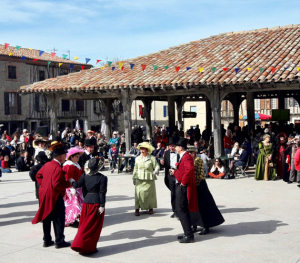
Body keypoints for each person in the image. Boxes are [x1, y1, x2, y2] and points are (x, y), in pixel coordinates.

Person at [32, 146, 72, 248]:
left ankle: (47, 240)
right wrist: (68, 183)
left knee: (46, 217)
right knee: (58, 218)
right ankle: (59, 241)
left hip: (44, 194)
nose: (65, 156)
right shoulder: (58, 167)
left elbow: (38, 175)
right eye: (64, 155)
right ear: (59, 156)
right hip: (54, 195)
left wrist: (43, 185)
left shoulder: (47, 164)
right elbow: (56, 184)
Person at [70, 158, 108, 254]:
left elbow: (77, 185)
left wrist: (72, 181)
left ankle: (84, 246)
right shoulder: (102, 178)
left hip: (86, 203)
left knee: (85, 224)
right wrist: (102, 205)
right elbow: (102, 193)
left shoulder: (85, 175)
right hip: (96, 203)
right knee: (93, 227)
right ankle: (87, 246)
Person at [188, 146, 225, 235]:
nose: (189, 154)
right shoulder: (189, 161)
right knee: (192, 206)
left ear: (194, 153)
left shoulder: (198, 160)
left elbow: (201, 175)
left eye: (191, 153)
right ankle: (194, 225)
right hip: (192, 185)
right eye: (188, 153)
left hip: (200, 185)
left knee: (203, 205)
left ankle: (206, 226)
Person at [169, 138, 198, 243]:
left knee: (182, 210)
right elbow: (184, 170)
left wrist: (183, 182)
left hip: (183, 186)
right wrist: (176, 172)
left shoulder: (186, 157)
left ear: (180, 148)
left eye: (176, 146)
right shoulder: (184, 156)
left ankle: (189, 235)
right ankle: (187, 232)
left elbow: (190, 169)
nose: (175, 148)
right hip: (181, 185)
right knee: (180, 209)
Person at [133, 142, 160, 216]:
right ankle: (137, 208)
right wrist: (133, 178)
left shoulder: (152, 158)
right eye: (141, 149)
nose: (142, 151)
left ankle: (151, 208)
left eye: (143, 149)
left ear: (147, 150)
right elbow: (135, 169)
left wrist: (156, 170)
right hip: (139, 177)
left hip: (149, 178)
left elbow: (157, 166)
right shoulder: (137, 158)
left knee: (150, 194)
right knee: (138, 193)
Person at [63, 147, 85, 227]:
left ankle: (77, 217)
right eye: (76, 156)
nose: (78, 157)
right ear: (71, 157)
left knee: (79, 203)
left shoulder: (76, 164)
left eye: (78, 156)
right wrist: (71, 187)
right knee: (73, 205)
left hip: (78, 187)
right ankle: (72, 220)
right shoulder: (68, 165)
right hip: (71, 188)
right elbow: (67, 178)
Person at [160, 137, 180, 218]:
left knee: (179, 193)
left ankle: (180, 211)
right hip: (170, 175)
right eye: (171, 146)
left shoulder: (179, 153)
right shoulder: (167, 153)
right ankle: (175, 211)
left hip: (178, 174)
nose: (172, 147)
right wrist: (162, 163)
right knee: (173, 193)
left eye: (174, 146)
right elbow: (166, 165)